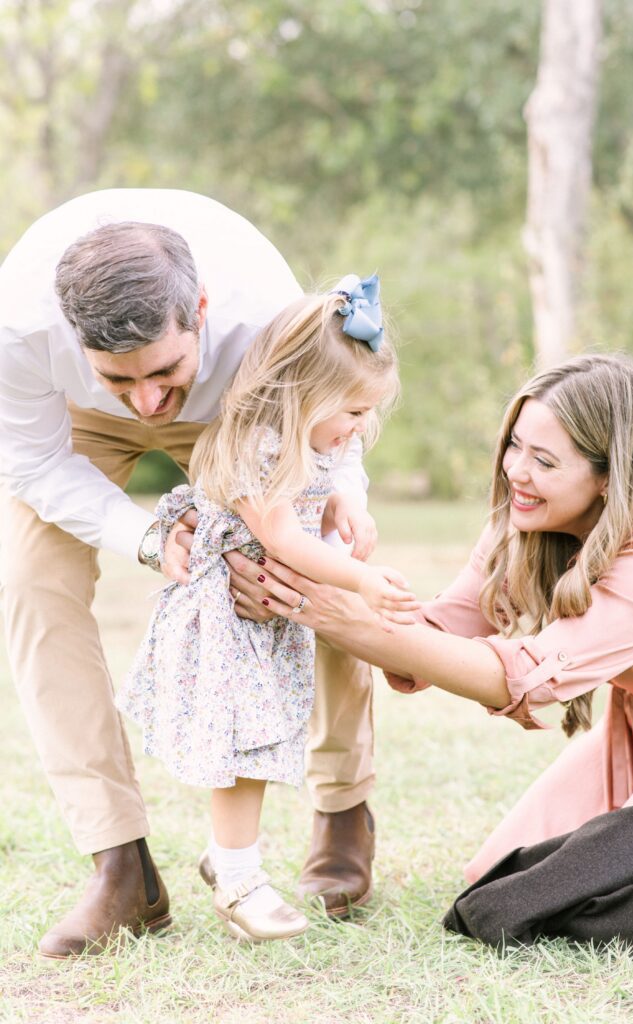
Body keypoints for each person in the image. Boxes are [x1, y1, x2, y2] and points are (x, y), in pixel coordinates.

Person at [0, 190, 378, 959]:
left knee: (313, 574)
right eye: (120, 376)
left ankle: (342, 806)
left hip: (240, 401)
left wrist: (345, 495)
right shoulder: (20, 325)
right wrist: (146, 534)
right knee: (29, 582)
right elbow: (34, 460)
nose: (146, 402)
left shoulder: (262, 307)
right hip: (76, 422)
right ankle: (121, 865)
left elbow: (331, 404)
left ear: (200, 308)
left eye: (161, 371)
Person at [222, 353, 633, 905]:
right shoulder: (527, 517)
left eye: (544, 460)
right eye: (515, 444)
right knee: (498, 887)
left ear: (609, 475)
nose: (516, 470)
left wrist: (329, 612)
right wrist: (307, 585)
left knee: (554, 897)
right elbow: (441, 626)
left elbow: (520, 678)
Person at [116, 280, 414, 942]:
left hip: (265, 620)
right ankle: (236, 876)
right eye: (354, 411)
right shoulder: (256, 446)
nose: (361, 428)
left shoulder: (309, 440)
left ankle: (231, 863)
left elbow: (328, 478)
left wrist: (346, 499)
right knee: (242, 748)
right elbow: (282, 538)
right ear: (303, 397)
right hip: (229, 621)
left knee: (261, 744)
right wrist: (361, 580)